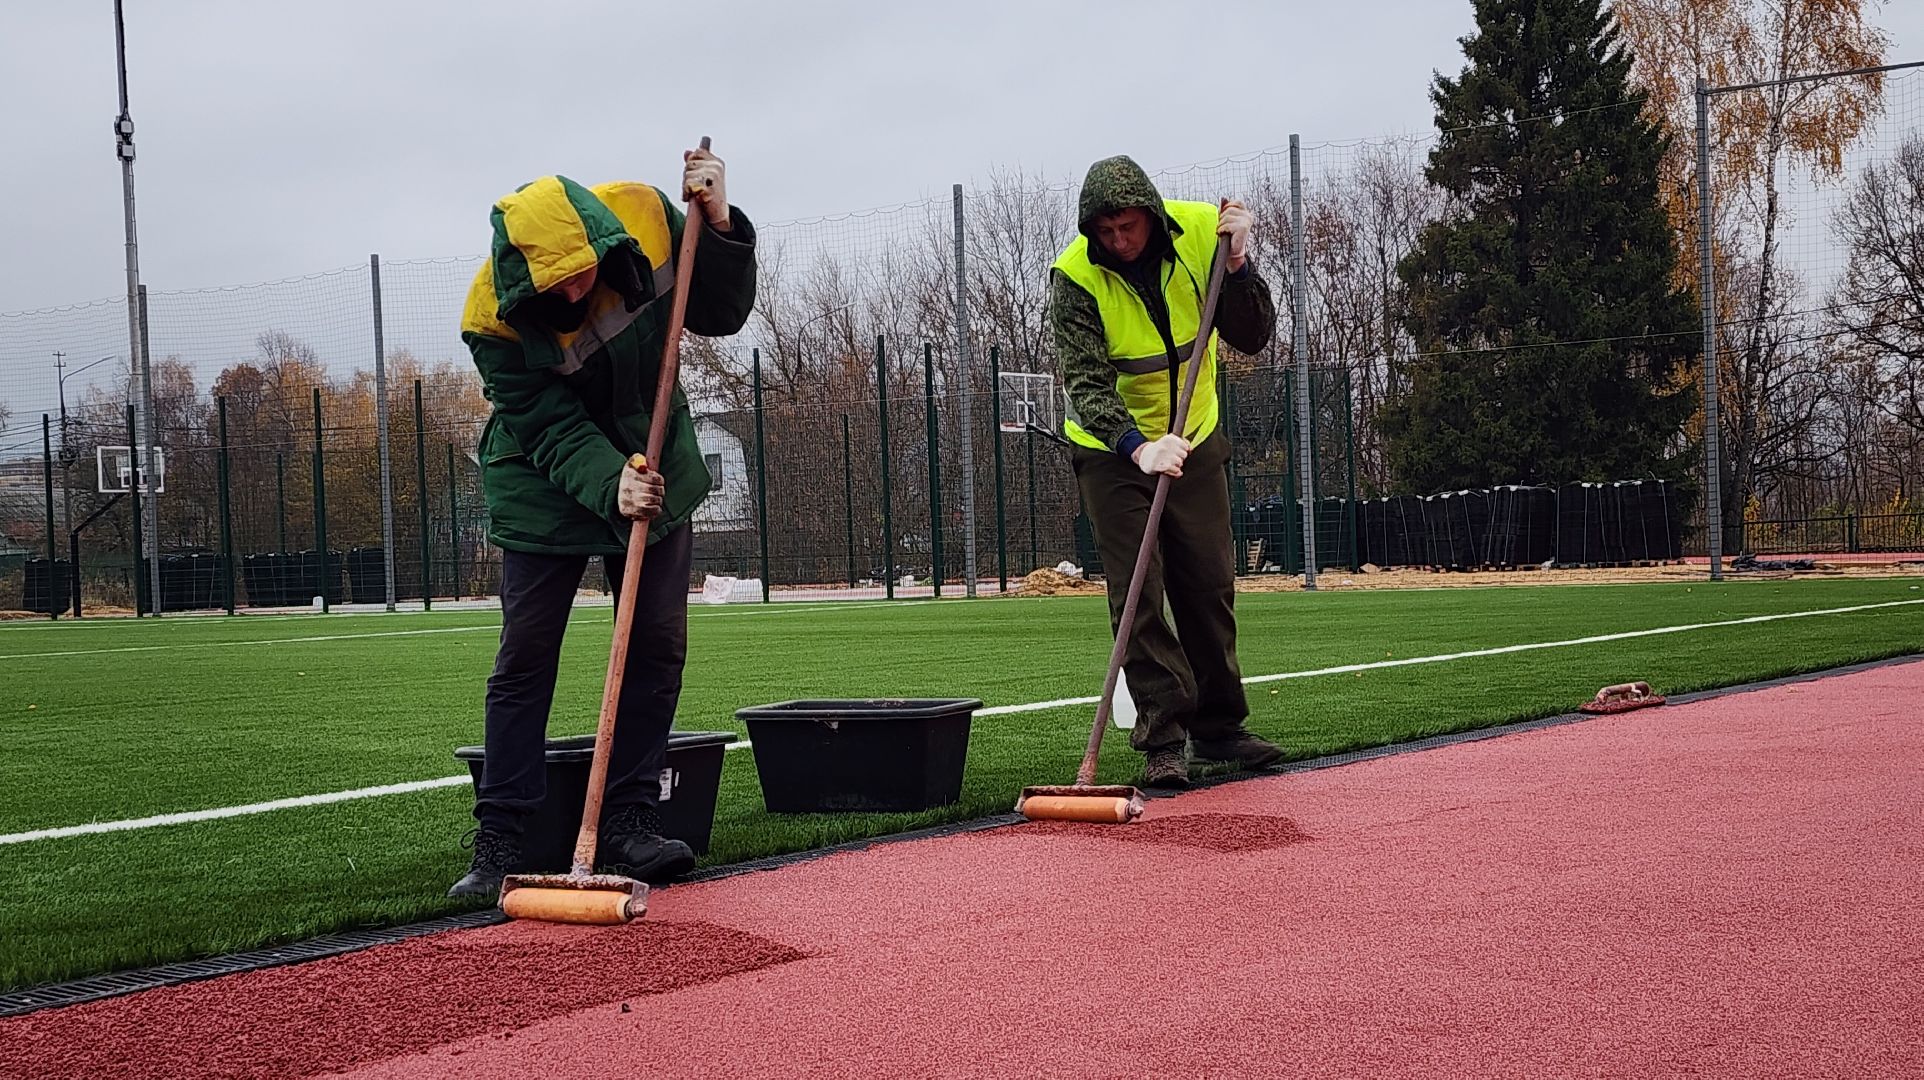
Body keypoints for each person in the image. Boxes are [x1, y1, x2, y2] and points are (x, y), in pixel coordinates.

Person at [448, 146, 756, 899]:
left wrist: (717, 226)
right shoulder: (490, 317)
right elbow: (545, 425)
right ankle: (502, 837)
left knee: (655, 640)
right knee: (526, 653)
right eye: (558, 283)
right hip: (543, 475)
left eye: (584, 269)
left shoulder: (648, 219)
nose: (579, 287)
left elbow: (720, 312)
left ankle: (629, 821)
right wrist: (605, 481)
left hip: (654, 450)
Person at [1049, 154, 1285, 789]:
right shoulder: (1074, 277)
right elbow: (1087, 382)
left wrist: (1237, 265)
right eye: (1105, 232)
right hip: (1113, 451)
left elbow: (1253, 335)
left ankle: (1219, 728)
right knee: (1138, 593)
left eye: (1128, 227)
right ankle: (1163, 737)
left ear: (1150, 216)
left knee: (1207, 583)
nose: (1118, 242)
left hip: (1196, 432)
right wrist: (1136, 446)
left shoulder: (1204, 234)